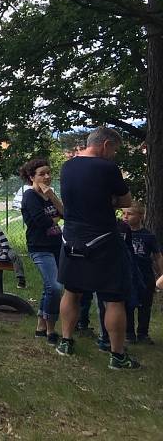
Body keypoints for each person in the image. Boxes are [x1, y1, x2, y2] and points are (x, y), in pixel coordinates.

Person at [56, 127, 136, 369]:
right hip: (102, 239)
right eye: (114, 149)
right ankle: (118, 355)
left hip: (71, 239)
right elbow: (126, 201)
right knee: (113, 298)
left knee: (71, 291)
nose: (114, 155)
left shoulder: (67, 166)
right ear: (106, 144)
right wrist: (107, 200)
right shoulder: (107, 168)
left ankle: (66, 342)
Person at [19, 158, 64, 344]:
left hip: (56, 245)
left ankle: (41, 325)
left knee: (49, 287)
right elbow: (41, 222)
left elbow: (66, 213)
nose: (47, 176)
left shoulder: (49, 195)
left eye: (48, 172)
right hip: (39, 247)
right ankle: (51, 328)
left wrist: (52, 197)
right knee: (54, 287)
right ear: (32, 177)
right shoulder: (30, 196)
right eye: (42, 174)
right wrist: (56, 218)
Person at [122, 202, 161, 344]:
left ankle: (143, 333)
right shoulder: (122, 233)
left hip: (145, 276)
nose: (126, 217)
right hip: (128, 276)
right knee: (128, 305)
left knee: (145, 306)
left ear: (140, 216)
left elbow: (157, 256)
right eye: (124, 213)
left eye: (130, 213)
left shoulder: (148, 236)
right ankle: (129, 333)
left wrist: (161, 273)